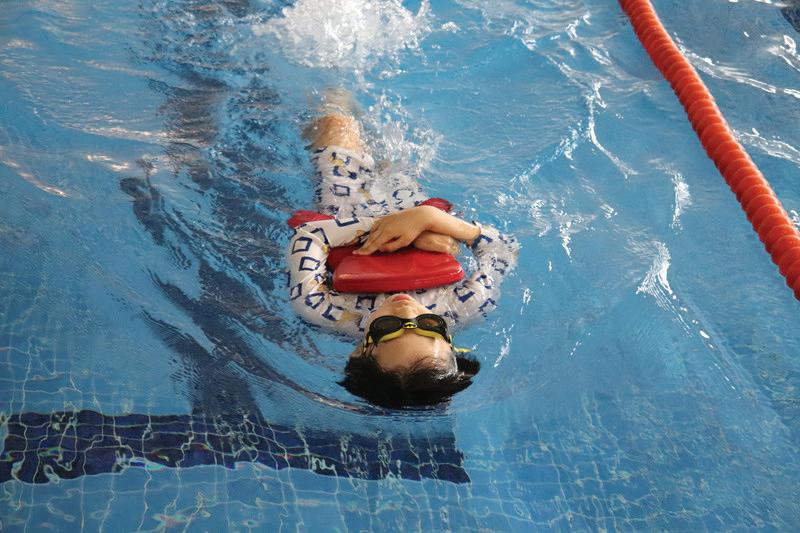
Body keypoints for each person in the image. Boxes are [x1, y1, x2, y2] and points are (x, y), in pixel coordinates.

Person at [286, 90, 519, 408]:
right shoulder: (466, 306)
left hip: (345, 202)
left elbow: (309, 236)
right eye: (430, 327)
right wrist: (429, 218)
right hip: (409, 200)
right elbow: (503, 249)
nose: (406, 310)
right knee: (390, 147)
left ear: (360, 350)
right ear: (449, 342)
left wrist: (388, 230)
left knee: (336, 122)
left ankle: (324, 82)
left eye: (388, 328)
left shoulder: (327, 312)